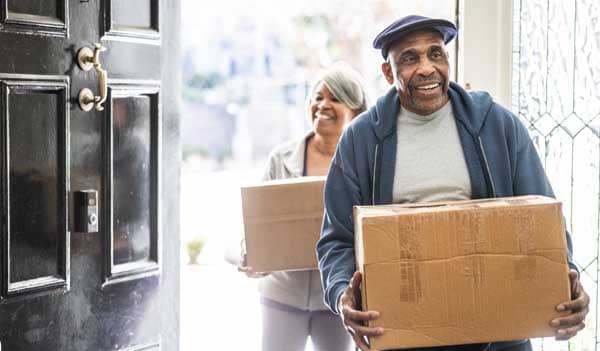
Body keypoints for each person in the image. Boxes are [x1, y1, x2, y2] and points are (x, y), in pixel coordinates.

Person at [316, 15, 590, 351]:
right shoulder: (361, 140)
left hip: (497, 336)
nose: (427, 68)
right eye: (409, 58)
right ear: (388, 73)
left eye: (435, 54)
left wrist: (566, 279)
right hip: (402, 335)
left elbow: (542, 221)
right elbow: (336, 240)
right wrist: (342, 291)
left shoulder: (497, 125)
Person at [239, 62, 370, 351]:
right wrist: (250, 253)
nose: (322, 105)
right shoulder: (281, 157)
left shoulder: (365, 164)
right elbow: (256, 222)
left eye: (334, 98)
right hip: (282, 296)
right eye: (317, 97)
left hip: (338, 300)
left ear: (356, 111)